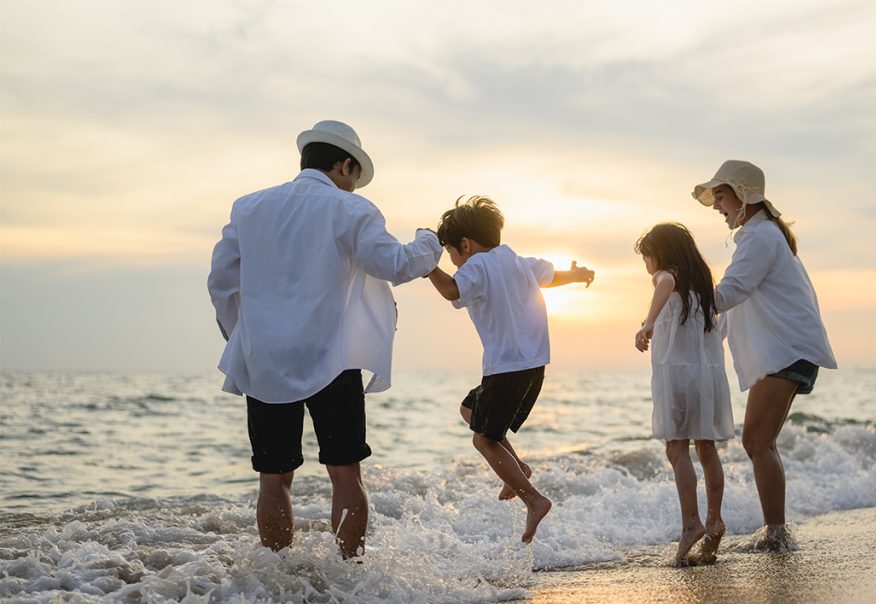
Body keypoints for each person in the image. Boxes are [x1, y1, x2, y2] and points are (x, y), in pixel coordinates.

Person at [207, 120, 441, 558]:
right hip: (332, 355)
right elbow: (394, 264)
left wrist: (242, 334)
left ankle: (277, 576)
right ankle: (349, 576)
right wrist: (429, 241)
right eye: (354, 176)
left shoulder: (249, 207)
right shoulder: (352, 210)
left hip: (265, 360)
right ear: (344, 164)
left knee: (273, 476)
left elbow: (220, 282)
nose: (353, 186)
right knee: (345, 472)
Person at [425, 196, 595, 543]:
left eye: (450, 254)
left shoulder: (476, 266)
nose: (453, 262)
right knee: (471, 409)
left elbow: (450, 290)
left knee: (483, 439)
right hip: (532, 367)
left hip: (506, 368)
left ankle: (532, 498)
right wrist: (576, 275)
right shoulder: (516, 261)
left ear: (466, 245)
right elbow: (550, 276)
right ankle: (516, 471)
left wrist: (427, 265)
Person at [692, 160, 836, 550]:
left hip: (787, 350)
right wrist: (706, 336)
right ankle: (776, 531)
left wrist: (681, 297)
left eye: (721, 196)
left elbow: (729, 294)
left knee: (757, 441)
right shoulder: (763, 235)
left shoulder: (759, 238)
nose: (718, 206)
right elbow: (734, 305)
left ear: (743, 196)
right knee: (761, 442)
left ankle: (776, 534)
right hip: (791, 350)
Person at [634, 223, 734, 566]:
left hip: (677, 376)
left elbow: (663, 281)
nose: (646, 264)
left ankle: (691, 524)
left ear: (659, 253)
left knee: (676, 448)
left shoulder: (666, 275)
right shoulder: (703, 285)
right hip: (707, 377)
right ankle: (714, 520)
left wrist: (648, 322)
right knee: (706, 448)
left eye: (646, 256)